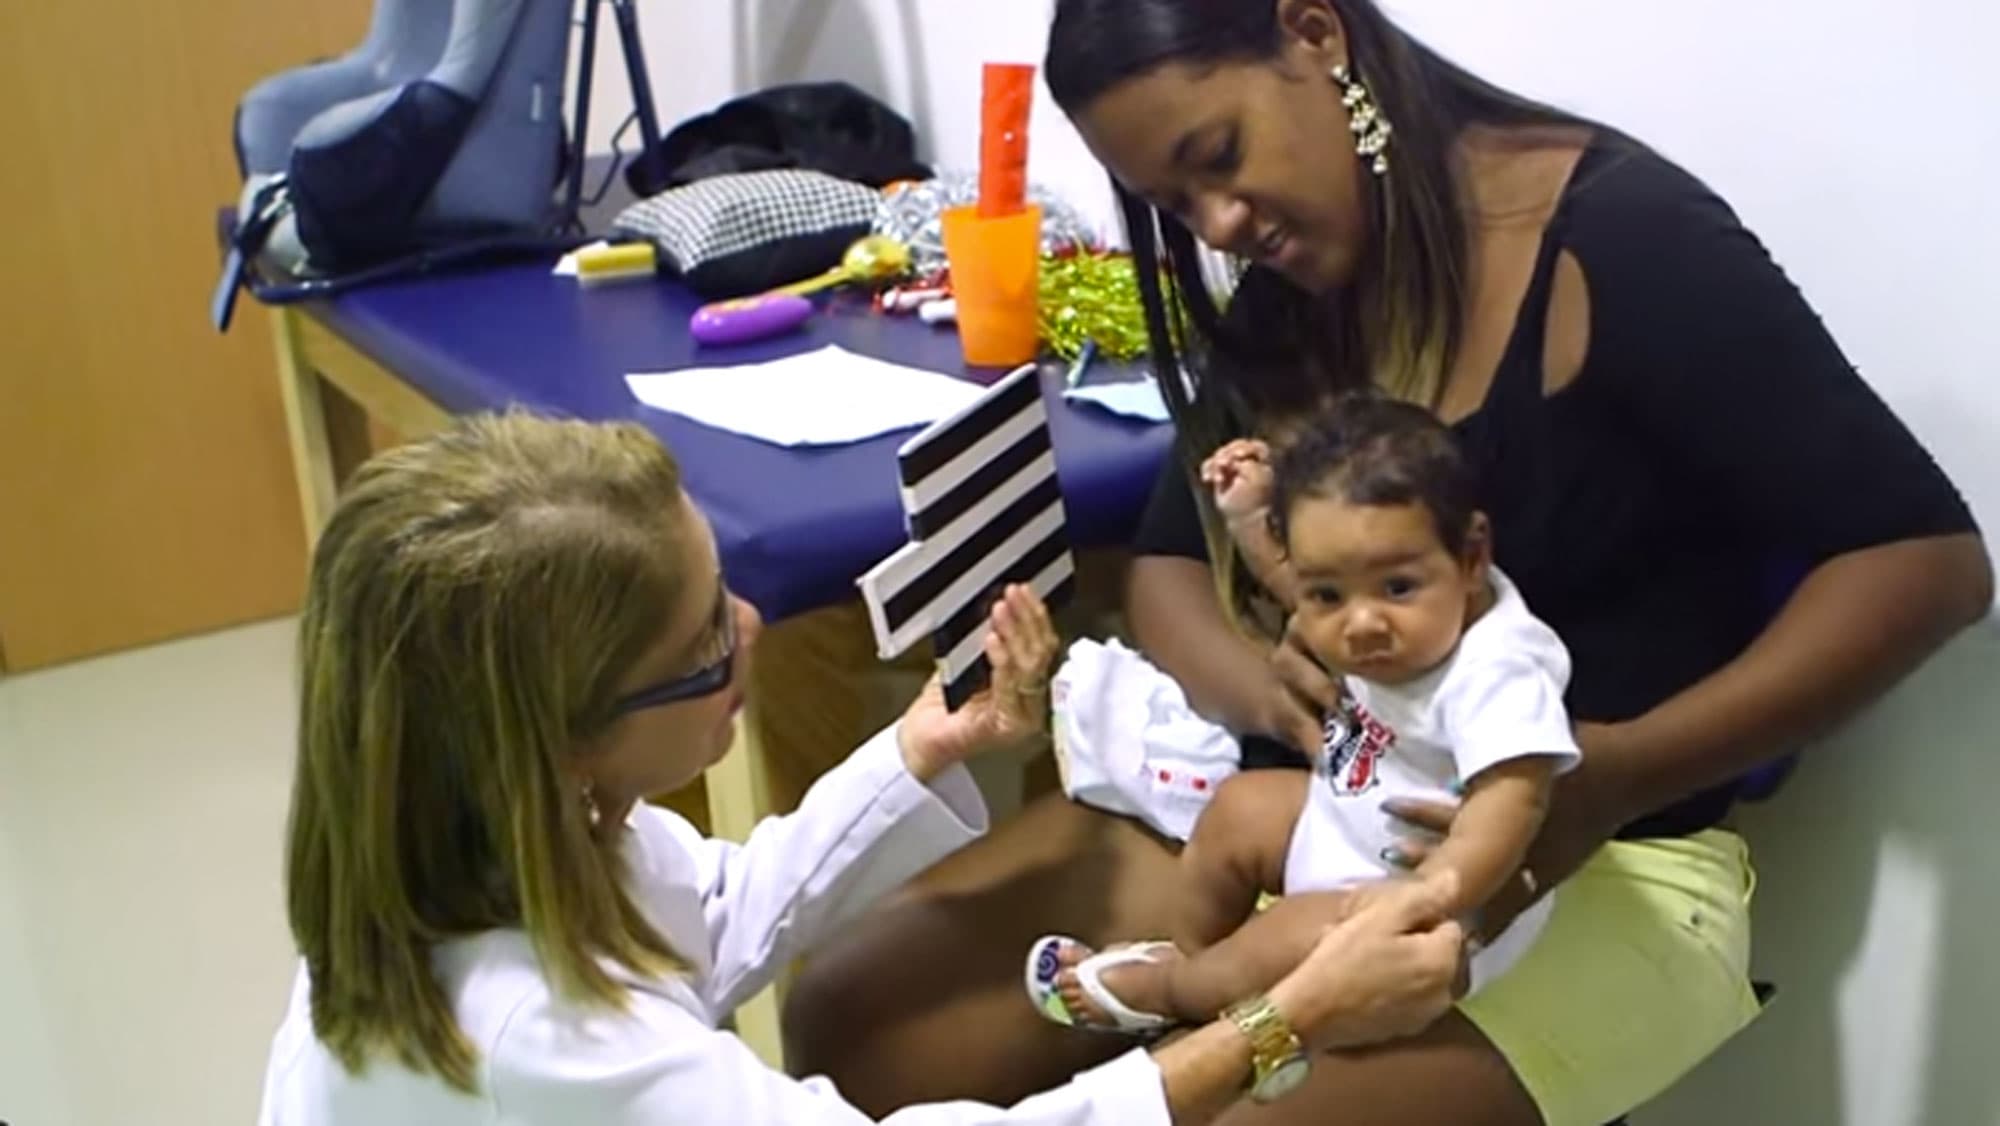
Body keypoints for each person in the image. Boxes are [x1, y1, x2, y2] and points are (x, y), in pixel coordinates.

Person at [783, 2, 1994, 1124]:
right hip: (1305, 807)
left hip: (1599, 851)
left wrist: (1614, 775)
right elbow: (1163, 567)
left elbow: (1923, 560)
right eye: (1172, 200)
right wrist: (1258, 689)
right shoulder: (1289, 287)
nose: (1217, 227)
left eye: (1216, 158)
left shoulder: (1622, 240)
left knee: (1215, 1101)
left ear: (1312, 33)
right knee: (861, 1021)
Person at [253, 412, 1468, 1126]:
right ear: (562, 735)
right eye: (698, 648)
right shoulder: (531, 1040)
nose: (750, 628)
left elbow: (710, 911)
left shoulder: (502, 822)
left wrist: (916, 751)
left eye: (719, 587)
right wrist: (1280, 1017)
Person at [1028, 397, 1578, 1034]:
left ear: (1473, 555)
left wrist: (1434, 890)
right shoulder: (1379, 606)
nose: (1362, 623)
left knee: (1288, 933)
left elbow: (1514, 801)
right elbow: (1301, 588)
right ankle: (1195, 956)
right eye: (1329, 595)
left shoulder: (1498, 667)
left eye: (1397, 588)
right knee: (1240, 808)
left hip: (1409, 903)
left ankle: (1176, 992)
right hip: (1342, 816)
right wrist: (1250, 524)